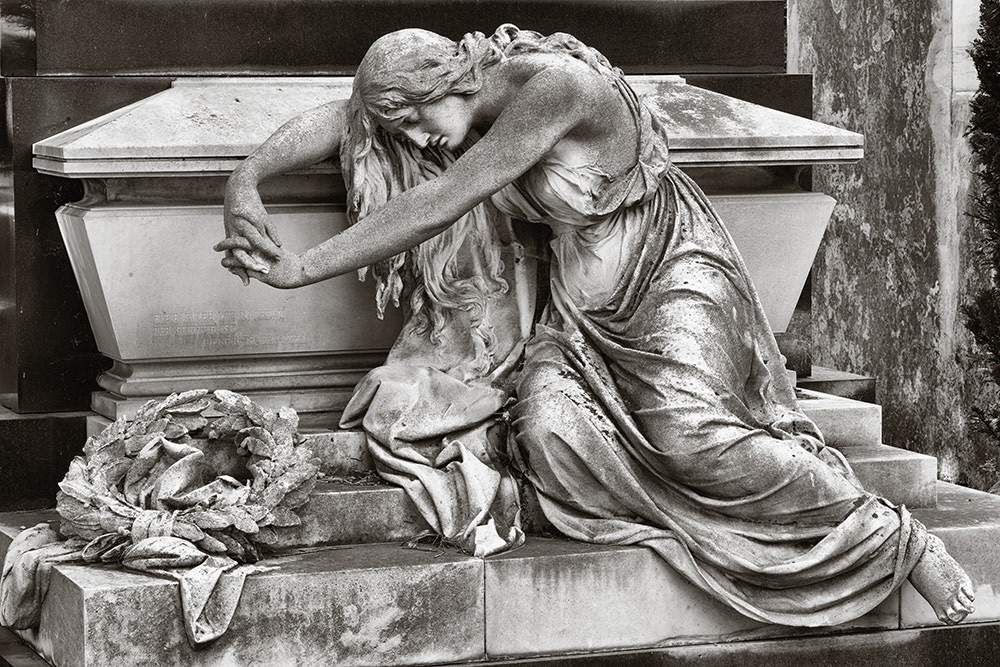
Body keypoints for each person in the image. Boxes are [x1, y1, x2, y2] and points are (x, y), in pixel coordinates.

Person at [215, 25, 975, 626]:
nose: (413, 140)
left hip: (667, 274)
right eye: (402, 127)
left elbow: (441, 201)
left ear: (446, 82)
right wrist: (245, 177)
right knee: (547, 435)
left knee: (687, 434)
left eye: (415, 119)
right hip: (579, 311)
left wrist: (300, 268)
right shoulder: (461, 104)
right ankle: (690, 518)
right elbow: (345, 120)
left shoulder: (558, 88)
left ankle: (893, 537)